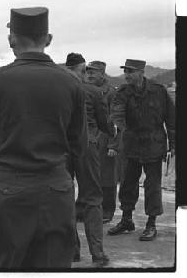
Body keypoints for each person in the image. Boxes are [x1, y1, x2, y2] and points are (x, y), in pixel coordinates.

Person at [0, 7, 86, 268]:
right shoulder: (71, 83)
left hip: (10, 189)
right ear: (48, 39)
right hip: (57, 189)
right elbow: (79, 145)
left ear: (11, 39)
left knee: (1, 266)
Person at [108, 59, 175, 241]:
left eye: (131, 71)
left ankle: (151, 223)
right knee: (128, 183)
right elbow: (117, 114)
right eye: (126, 71)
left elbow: (172, 119)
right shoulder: (123, 92)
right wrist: (119, 127)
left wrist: (173, 145)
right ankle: (126, 219)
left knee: (152, 186)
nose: (127, 75)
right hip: (131, 143)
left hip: (154, 143)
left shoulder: (159, 91)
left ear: (141, 72)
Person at [65, 53, 113, 267]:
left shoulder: (58, 90)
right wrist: (113, 131)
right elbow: (104, 124)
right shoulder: (93, 91)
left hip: (62, 149)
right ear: (81, 69)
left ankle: (72, 250)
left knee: (64, 198)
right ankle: (98, 254)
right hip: (88, 147)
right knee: (93, 199)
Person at [86, 61, 120, 223]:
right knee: (92, 176)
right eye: (88, 72)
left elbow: (116, 120)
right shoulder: (87, 90)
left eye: (93, 72)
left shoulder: (111, 93)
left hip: (106, 138)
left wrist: (113, 144)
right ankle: (92, 209)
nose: (90, 75)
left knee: (108, 178)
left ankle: (107, 210)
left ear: (102, 73)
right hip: (90, 137)